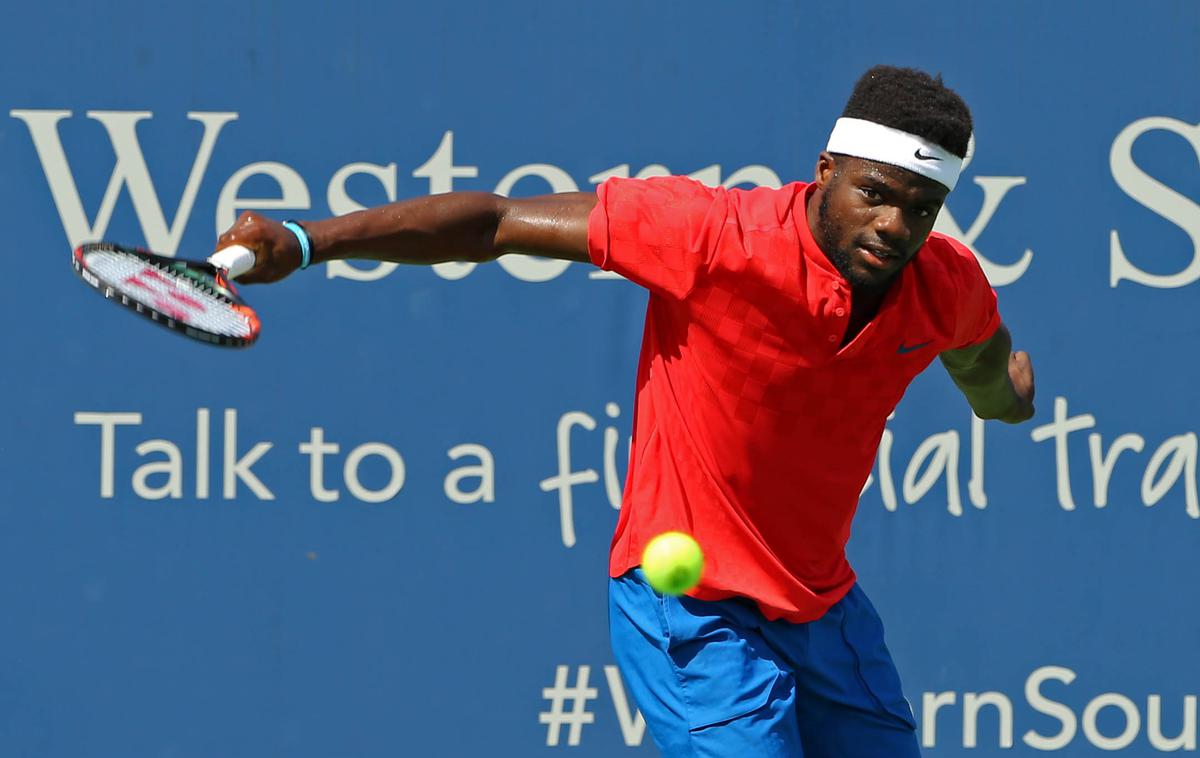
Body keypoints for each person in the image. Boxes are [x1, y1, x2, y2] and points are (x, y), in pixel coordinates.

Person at [218, 65, 1035, 756]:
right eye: (876, 194)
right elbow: (497, 221)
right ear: (826, 169)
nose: (894, 226)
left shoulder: (946, 285)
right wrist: (307, 239)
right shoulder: (710, 237)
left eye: (920, 209)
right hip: (691, 608)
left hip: (820, 604)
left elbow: (985, 368)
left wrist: (1006, 401)